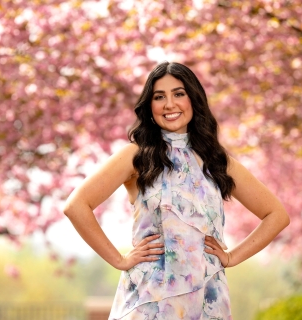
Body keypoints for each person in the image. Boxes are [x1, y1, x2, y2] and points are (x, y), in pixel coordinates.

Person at [63, 62, 290, 319]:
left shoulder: (216, 160)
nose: (169, 104)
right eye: (159, 97)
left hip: (206, 300)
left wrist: (231, 257)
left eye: (179, 94)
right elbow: (76, 205)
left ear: (193, 99)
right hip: (149, 300)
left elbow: (276, 215)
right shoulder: (137, 155)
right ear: (150, 106)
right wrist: (120, 260)